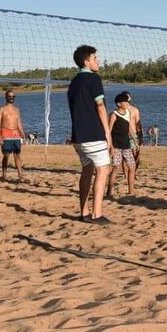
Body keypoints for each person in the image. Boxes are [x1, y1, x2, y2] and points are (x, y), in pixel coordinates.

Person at [68, 45, 112, 224]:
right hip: (93, 134)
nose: (98, 61)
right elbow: (100, 106)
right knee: (103, 170)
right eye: (95, 58)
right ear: (87, 62)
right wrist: (108, 133)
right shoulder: (93, 79)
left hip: (78, 136)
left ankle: (84, 212)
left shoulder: (73, 82)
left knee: (87, 170)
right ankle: (97, 214)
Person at [108, 92, 138, 197]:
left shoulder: (128, 113)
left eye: (127, 101)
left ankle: (131, 191)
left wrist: (134, 140)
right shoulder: (113, 114)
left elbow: (129, 127)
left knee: (132, 167)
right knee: (115, 167)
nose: (127, 103)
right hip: (116, 145)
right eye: (125, 101)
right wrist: (110, 146)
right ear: (119, 103)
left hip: (126, 145)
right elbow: (109, 131)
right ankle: (110, 190)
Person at [0, 89, 25, 181]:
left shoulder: (17, 109)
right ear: (6, 97)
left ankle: (20, 175)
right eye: (10, 96)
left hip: (15, 134)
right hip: (5, 134)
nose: (11, 98)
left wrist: (22, 134)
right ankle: (4, 175)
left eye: (13, 96)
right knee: (6, 155)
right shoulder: (2, 109)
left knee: (18, 155)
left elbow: (19, 122)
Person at [122, 91, 142, 172]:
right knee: (125, 156)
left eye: (128, 97)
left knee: (136, 155)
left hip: (134, 135)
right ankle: (126, 174)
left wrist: (140, 134)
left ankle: (134, 172)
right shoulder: (118, 111)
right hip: (123, 135)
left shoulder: (134, 110)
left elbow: (138, 123)